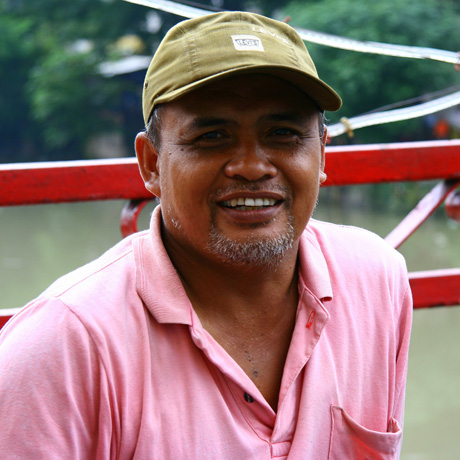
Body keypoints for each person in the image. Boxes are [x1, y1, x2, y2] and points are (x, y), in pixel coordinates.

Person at [0, 11, 412, 460]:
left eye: (283, 134)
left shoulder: (378, 281)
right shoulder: (62, 347)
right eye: (213, 136)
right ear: (151, 164)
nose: (252, 166)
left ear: (322, 152)